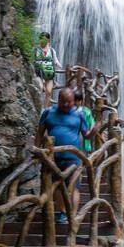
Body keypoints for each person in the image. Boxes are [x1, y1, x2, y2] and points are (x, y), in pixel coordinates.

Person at [35, 87, 101, 226]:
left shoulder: (79, 115)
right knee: (58, 186)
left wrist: (94, 131)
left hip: (74, 157)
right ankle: (62, 213)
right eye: (63, 101)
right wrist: (37, 150)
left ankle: (73, 214)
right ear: (58, 99)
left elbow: (86, 135)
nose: (66, 104)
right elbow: (40, 133)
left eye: (69, 102)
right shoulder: (48, 112)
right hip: (53, 157)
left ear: (74, 101)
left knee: (74, 186)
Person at [33, 32, 60, 107]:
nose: (42, 41)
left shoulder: (51, 50)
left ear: (48, 41)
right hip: (39, 74)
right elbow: (32, 61)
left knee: (49, 92)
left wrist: (57, 64)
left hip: (49, 74)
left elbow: (55, 60)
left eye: (44, 39)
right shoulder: (36, 50)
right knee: (40, 88)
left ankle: (45, 109)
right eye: (41, 39)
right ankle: (38, 107)